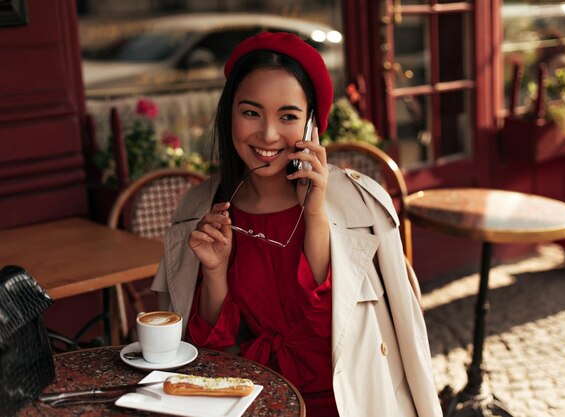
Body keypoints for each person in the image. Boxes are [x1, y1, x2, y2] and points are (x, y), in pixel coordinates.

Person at [152, 31, 442, 417]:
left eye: (288, 116)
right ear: (229, 114)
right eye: (250, 112)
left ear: (310, 126)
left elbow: (338, 329)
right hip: (256, 399)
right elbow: (207, 352)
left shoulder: (359, 206)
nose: (268, 134)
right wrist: (216, 271)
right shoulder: (199, 208)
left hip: (351, 400)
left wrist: (316, 215)